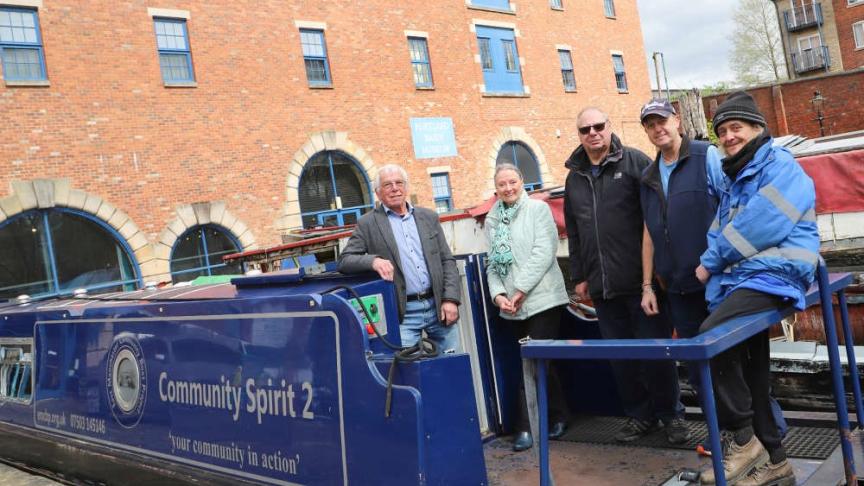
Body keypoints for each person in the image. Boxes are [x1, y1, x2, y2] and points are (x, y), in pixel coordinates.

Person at [638, 98, 788, 457]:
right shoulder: (647, 176)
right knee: (700, 368)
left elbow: (733, 206)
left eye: (663, 121)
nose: (659, 129)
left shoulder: (706, 156)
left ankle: (769, 439)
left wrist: (726, 263)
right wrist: (647, 284)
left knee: (737, 363)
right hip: (676, 287)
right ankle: (728, 441)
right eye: (650, 125)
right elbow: (648, 231)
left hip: (716, 282)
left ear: (677, 120)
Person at [696, 91, 819, 486]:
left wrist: (711, 264)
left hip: (777, 274)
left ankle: (745, 440)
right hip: (750, 278)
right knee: (753, 370)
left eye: (737, 128)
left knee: (710, 337)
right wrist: (716, 270)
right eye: (722, 132)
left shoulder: (779, 165)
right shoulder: (737, 176)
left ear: (757, 130)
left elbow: (761, 225)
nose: (728, 137)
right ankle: (777, 461)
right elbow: (718, 231)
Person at [563, 107, 687, 444]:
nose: (593, 133)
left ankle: (671, 416)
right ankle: (639, 416)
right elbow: (574, 232)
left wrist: (654, 276)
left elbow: (654, 220)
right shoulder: (573, 177)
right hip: (602, 286)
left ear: (609, 127)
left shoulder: (634, 162)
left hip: (640, 282)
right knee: (622, 359)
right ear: (579, 135)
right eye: (585, 129)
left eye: (598, 126)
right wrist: (580, 276)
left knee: (657, 354)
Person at [485, 163, 570, 452]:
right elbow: (492, 264)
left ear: (522, 182)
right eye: (502, 184)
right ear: (496, 188)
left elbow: (544, 253)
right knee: (541, 360)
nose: (508, 188)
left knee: (532, 360)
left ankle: (526, 426)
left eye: (513, 182)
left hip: (543, 298)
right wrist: (499, 295)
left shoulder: (537, 210)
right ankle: (560, 414)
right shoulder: (493, 220)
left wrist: (519, 289)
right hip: (512, 306)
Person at [338, 164, 461, 352]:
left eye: (399, 183)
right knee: (408, 373)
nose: (395, 188)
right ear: (378, 193)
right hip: (403, 315)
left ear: (406, 187)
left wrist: (450, 299)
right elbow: (345, 260)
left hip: (439, 308)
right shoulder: (368, 223)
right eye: (388, 185)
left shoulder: (428, 217)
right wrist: (373, 261)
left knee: (453, 366)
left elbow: (447, 261)